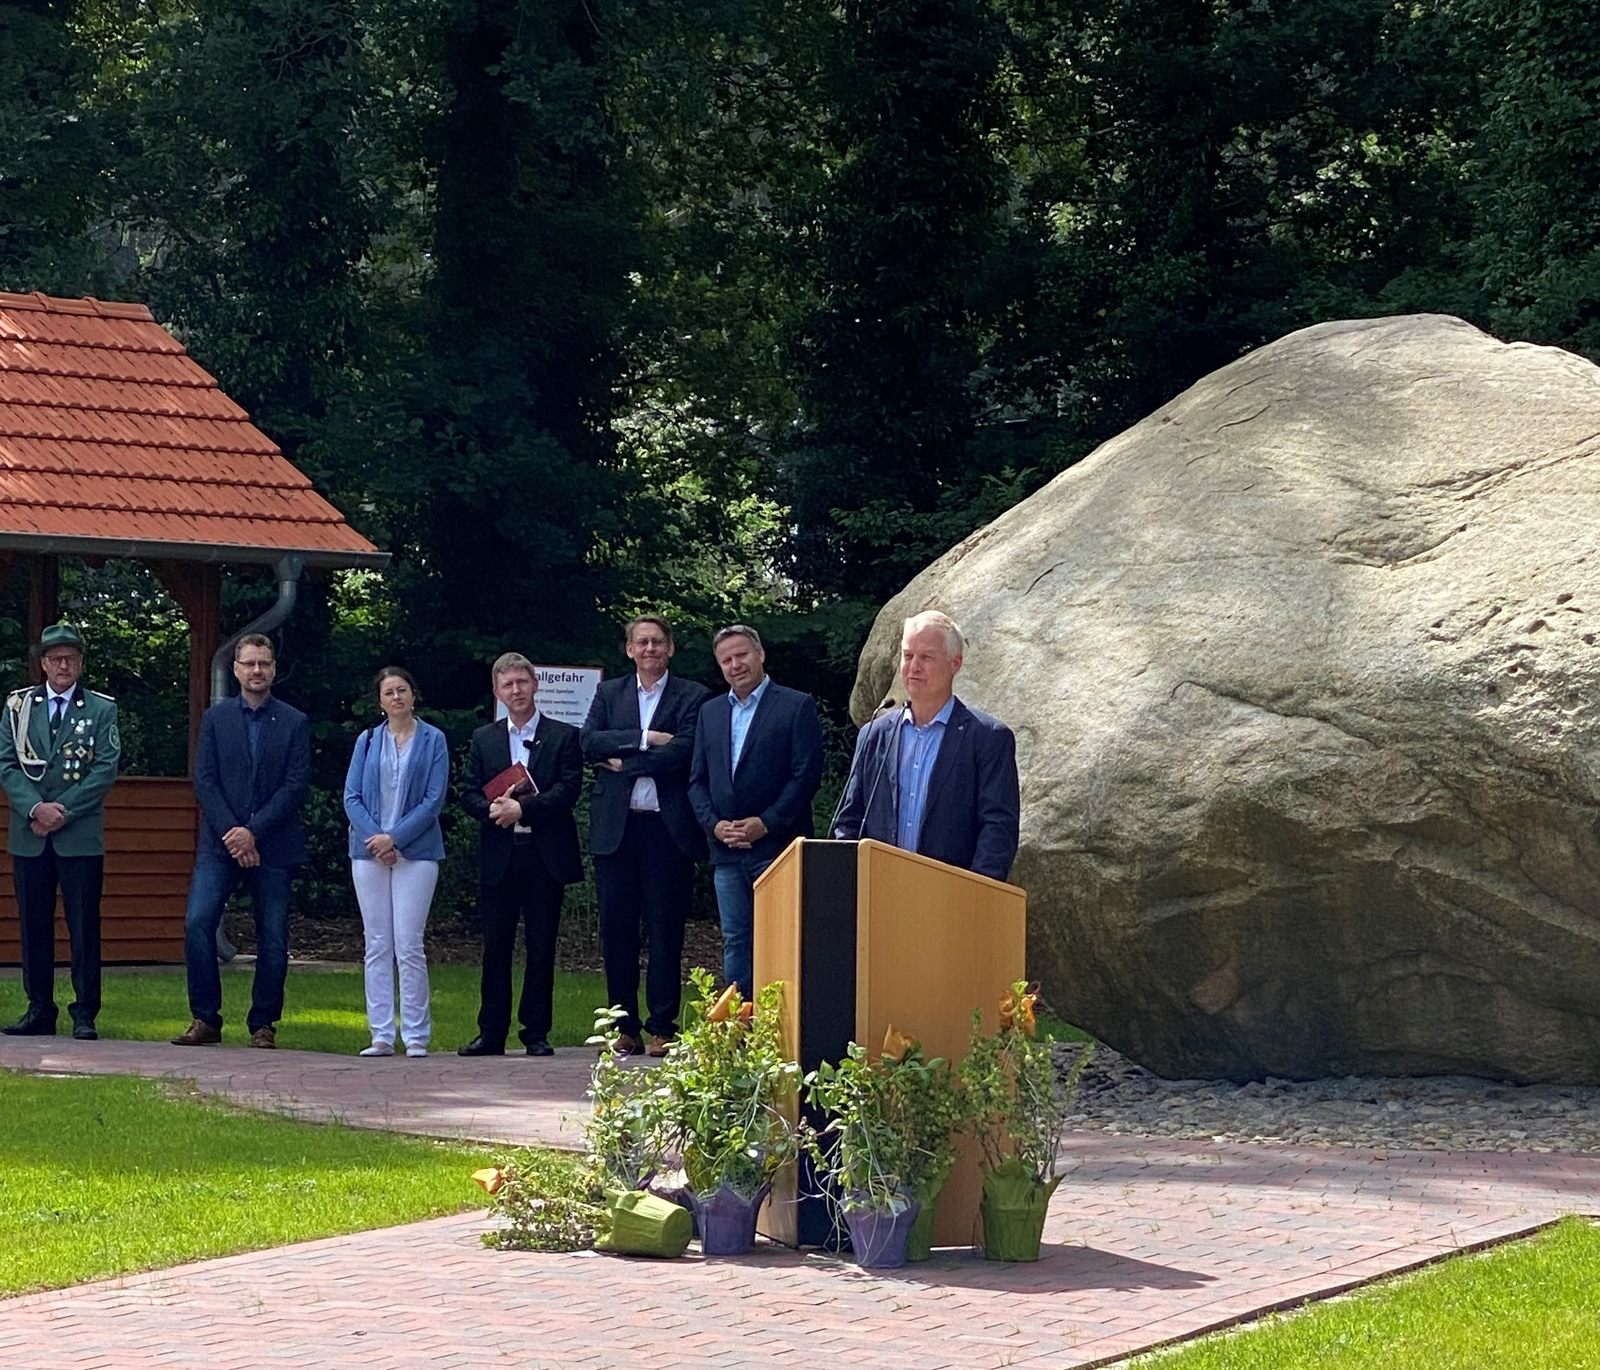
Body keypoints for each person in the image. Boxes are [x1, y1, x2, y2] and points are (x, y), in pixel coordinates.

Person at [171, 633, 310, 1049]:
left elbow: (294, 786)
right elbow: (206, 781)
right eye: (248, 663)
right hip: (220, 843)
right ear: (235, 669)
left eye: (263, 664)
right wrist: (235, 833)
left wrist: (254, 832)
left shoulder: (293, 721)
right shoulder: (215, 719)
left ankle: (263, 1023)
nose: (256, 671)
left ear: (273, 668)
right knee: (197, 922)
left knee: (272, 936)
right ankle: (205, 1018)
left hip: (274, 843)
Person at [582, 616, 710, 1057]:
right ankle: (624, 1026)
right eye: (643, 642)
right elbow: (589, 743)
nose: (651, 648)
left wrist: (628, 762)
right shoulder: (608, 693)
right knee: (616, 932)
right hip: (617, 831)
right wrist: (646, 737)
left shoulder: (692, 696)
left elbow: (685, 751)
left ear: (671, 648)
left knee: (665, 930)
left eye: (658, 641)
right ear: (629, 650)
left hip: (667, 830)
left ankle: (662, 1026)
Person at [832, 610, 1020, 882]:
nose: (914, 667)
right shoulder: (874, 734)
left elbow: (998, 828)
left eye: (926, 657)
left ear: (955, 663)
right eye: (908, 656)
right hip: (879, 896)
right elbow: (848, 822)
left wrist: (978, 894)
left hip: (951, 900)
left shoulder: (988, 738)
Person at [457, 652, 582, 1057]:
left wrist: (523, 809)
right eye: (508, 685)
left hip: (544, 854)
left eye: (522, 683)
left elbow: (568, 790)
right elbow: (469, 792)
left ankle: (536, 1033)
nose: (516, 691)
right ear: (497, 691)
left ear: (535, 684)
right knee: (496, 946)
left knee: (541, 945)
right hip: (501, 853)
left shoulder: (564, 735)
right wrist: (493, 810)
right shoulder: (484, 738)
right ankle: (491, 1032)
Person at [0, 623, 121, 1039]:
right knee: (34, 924)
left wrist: (62, 811)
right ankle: (39, 1008)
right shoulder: (19, 707)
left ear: (81, 663)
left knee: (83, 924)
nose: (63, 664)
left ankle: (85, 1011)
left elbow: (106, 767)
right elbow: (6, 763)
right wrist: (35, 807)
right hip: (29, 832)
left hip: (79, 833)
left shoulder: (101, 708)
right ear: (43, 663)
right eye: (55, 658)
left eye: (70, 658)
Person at [688, 624, 823, 997]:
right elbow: (696, 781)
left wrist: (766, 823)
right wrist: (714, 826)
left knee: (783, 939)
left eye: (742, 655)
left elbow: (805, 776)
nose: (735, 665)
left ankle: (783, 1029)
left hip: (777, 847)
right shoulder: (710, 713)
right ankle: (740, 1028)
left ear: (760, 654)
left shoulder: (796, 706)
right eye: (726, 660)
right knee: (736, 941)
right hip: (727, 852)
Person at [343, 666, 449, 1058]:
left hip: (416, 852)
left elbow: (434, 799)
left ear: (413, 694)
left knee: (408, 944)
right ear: (380, 701)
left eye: (402, 690)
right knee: (376, 944)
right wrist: (377, 840)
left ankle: (417, 1035)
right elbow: (351, 796)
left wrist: (396, 838)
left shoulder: (434, 740)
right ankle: (382, 1034)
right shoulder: (367, 741)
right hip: (368, 853)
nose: (396, 698)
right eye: (388, 693)